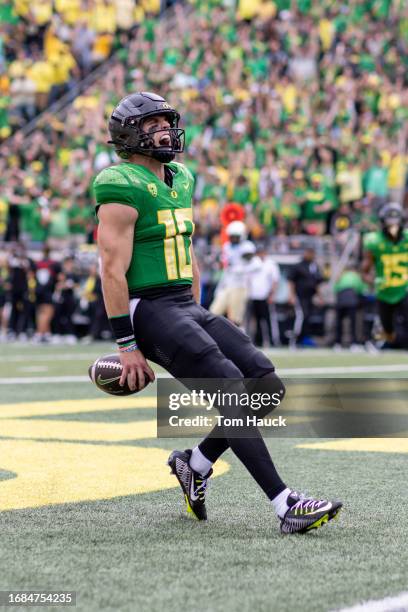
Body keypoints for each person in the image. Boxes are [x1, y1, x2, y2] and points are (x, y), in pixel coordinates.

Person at [93, 91, 341, 534]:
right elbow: (111, 270)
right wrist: (128, 344)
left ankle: (196, 464)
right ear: (129, 135)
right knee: (231, 388)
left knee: (266, 384)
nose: (165, 130)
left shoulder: (181, 177)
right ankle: (285, 505)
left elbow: (185, 248)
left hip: (183, 304)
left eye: (167, 121)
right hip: (146, 306)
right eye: (153, 124)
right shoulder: (119, 181)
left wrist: (196, 311)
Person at [362, 202, 408, 348]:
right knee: (388, 330)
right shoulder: (374, 241)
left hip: (404, 287)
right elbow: (365, 270)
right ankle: (388, 342)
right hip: (384, 289)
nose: (393, 226)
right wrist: (372, 280)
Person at [287, 248, 324, 347]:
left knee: (307, 317)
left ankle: (304, 338)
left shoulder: (314, 267)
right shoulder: (298, 266)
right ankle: (294, 340)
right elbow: (291, 281)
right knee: (301, 316)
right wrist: (292, 295)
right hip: (299, 296)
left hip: (309, 298)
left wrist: (320, 297)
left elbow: (316, 283)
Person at [247, 246, 280, 347]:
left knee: (268, 320)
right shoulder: (252, 263)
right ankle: (258, 341)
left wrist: (272, 295)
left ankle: (273, 340)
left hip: (265, 296)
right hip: (253, 296)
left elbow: (275, 281)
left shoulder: (271, 264)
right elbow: (248, 278)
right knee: (255, 320)